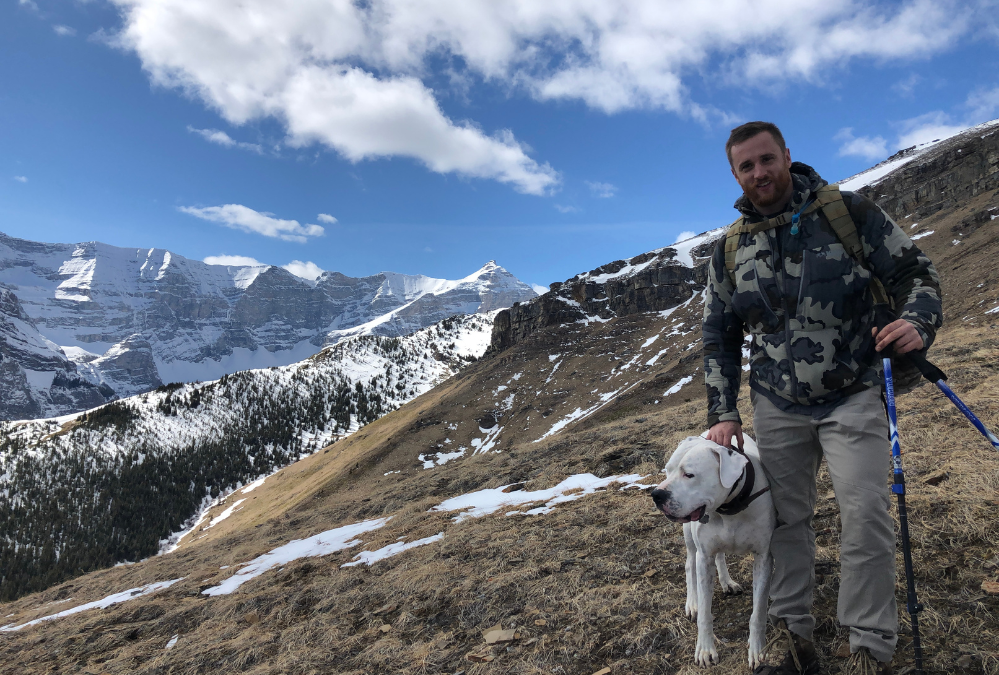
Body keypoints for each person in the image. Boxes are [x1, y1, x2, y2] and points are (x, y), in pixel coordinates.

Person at [702, 121, 942, 675]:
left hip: (852, 391)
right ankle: (796, 640)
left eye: (767, 159)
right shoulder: (731, 250)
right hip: (776, 403)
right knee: (784, 521)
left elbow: (914, 272)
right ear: (735, 174)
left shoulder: (846, 213)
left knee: (866, 514)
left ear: (787, 155)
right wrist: (722, 410)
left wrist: (917, 322)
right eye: (747, 166)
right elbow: (719, 333)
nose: (759, 173)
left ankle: (869, 646)